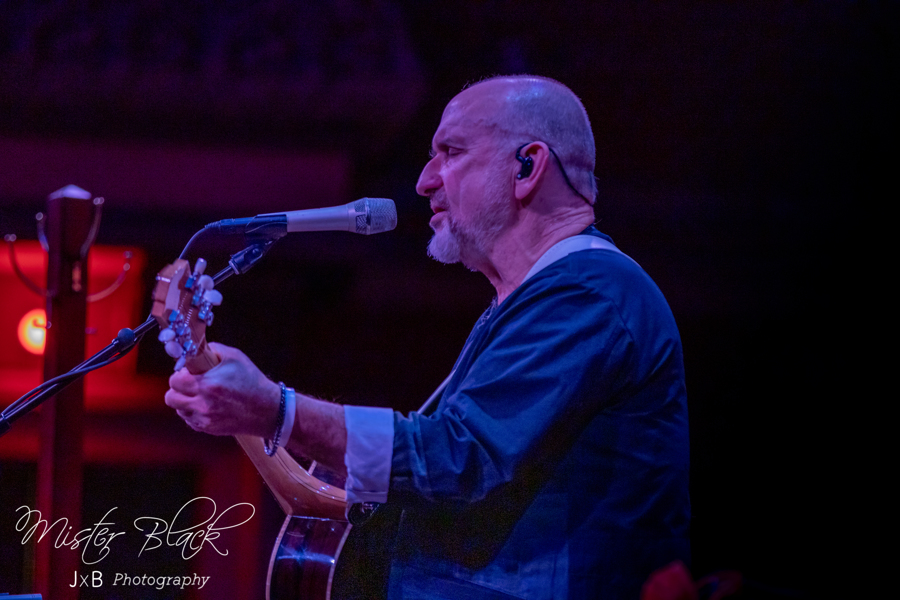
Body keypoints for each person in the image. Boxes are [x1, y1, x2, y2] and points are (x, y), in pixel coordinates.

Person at [165, 75, 691, 599]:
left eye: (451, 152)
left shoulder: (589, 294)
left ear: (528, 167)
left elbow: (459, 459)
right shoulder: (541, 299)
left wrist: (276, 410)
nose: (424, 180)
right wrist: (248, 404)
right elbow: (431, 483)